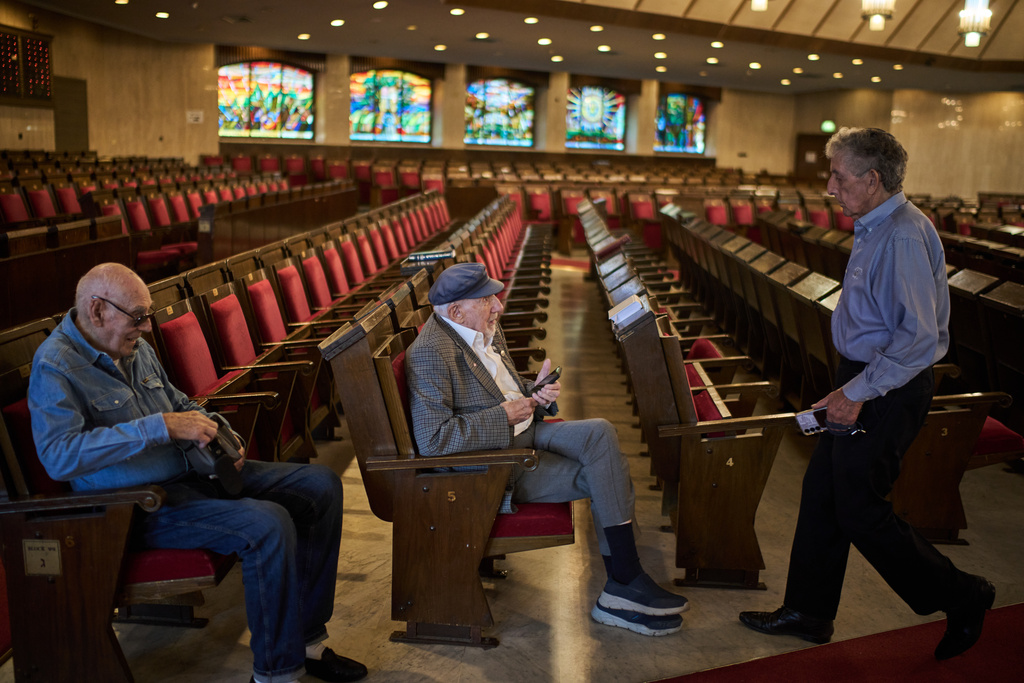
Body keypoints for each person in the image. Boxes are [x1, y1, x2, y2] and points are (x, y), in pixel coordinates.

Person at [28, 263, 367, 683]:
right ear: (97, 311)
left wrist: (222, 432)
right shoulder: (55, 366)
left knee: (320, 486)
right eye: (138, 317)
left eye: (147, 315)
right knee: (268, 522)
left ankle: (307, 642)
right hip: (139, 507)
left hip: (195, 473)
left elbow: (178, 402)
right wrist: (160, 427)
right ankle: (276, 674)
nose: (147, 327)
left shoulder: (133, 345)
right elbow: (60, 456)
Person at [738, 128, 994, 660]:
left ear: (873, 179)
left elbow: (917, 339)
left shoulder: (901, 233)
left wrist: (859, 391)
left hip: (890, 385)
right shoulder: (876, 223)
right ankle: (809, 611)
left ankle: (964, 594)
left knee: (859, 508)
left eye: (839, 176)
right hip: (868, 374)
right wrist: (849, 382)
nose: (830, 187)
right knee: (823, 497)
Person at [405, 262, 689, 637]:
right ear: (456, 311)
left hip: (527, 428)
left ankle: (625, 580)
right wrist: (504, 415)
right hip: (496, 463)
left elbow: (499, 386)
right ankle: (624, 584)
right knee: (605, 472)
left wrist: (534, 392)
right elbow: (434, 440)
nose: (498, 307)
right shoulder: (429, 353)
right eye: (488, 299)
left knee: (601, 433)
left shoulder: (481, 326)